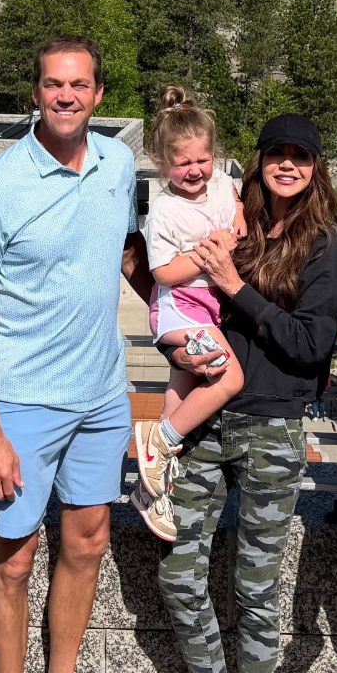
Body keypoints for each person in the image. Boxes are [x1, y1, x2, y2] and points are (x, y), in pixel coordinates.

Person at [0, 35, 152, 673]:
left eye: (79, 84)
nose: (65, 95)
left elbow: (124, 254)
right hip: (22, 401)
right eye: (52, 84)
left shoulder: (119, 163)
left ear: (98, 94)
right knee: (12, 561)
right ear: (34, 92)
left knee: (89, 540)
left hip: (101, 394)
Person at [158, 114, 337, 673]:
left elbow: (312, 345)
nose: (288, 164)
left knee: (257, 589)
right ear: (259, 161)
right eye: (277, 154)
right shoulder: (229, 220)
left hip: (273, 428)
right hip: (206, 421)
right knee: (180, 573)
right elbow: (172, 299)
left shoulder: (321, 245)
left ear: (316, 170)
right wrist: (174, 349)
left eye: (302, 157)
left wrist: (236, 286)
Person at [132, 85, 246, 541]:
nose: (195, 170)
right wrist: (209, 254)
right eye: (183, 164)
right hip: (181, 310)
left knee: (182, 389)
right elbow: (161, 271)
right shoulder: (165, 211)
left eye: (202, 159)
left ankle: (151, 488)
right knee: (230, 376)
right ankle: (158, 441)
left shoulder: (219, 183)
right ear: (163, 164)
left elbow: (235, 202)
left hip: (211, 307)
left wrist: (238, 215)